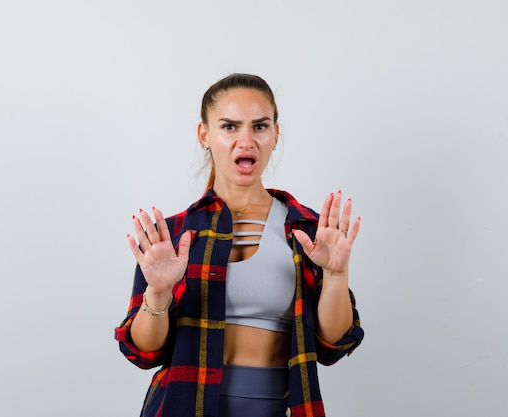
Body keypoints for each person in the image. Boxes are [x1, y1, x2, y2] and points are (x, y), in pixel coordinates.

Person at [115, 73, 364, 417]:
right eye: (229, 127)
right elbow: (143, 352)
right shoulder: (172, 237)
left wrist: (336, 274)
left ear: (275, 134)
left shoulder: (308, 231)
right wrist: (157, 294)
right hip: (183, 406)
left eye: (259, 127)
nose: (246, 140)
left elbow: (332, 346)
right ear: (205, 135)